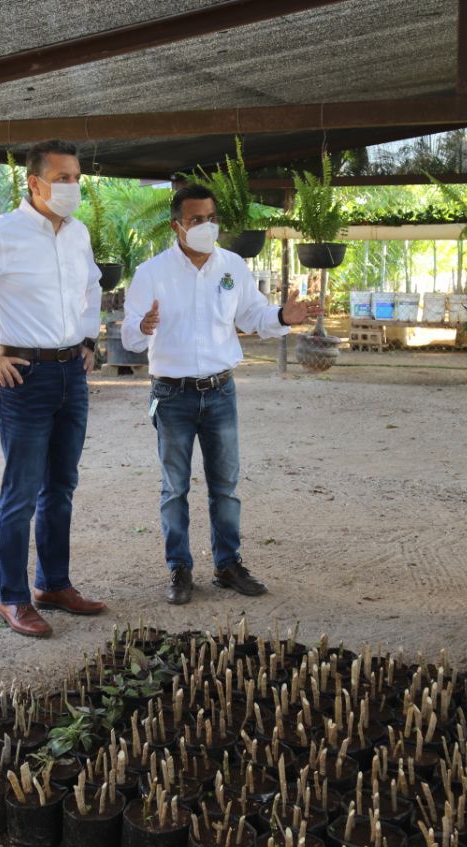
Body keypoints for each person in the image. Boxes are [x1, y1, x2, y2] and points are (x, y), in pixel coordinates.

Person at [0, 139, 105, 638]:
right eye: (64, 178)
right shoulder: (1, 234)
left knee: (62, 486)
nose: (73, 186)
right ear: (35, 183)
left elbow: (91, 286)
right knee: (22, 492)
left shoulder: (78, 233)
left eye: (77, 178)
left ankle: (53, 583)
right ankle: (13, 597)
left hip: (72, 372)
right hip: (23, 376)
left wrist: (89, 337)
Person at [122, 185, 321, 605]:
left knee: (225, 486)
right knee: (174, 487)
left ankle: (228, 564)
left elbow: (253, 316)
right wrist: (142, 327)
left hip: (220, 392)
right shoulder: (151, 273)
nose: (205, 226)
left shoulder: (232, 266)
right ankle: (179, 568)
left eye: (211, 218)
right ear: (177, 225)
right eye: (196, 220)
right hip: (171, 394)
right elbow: (129, 335)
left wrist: (284, 315)